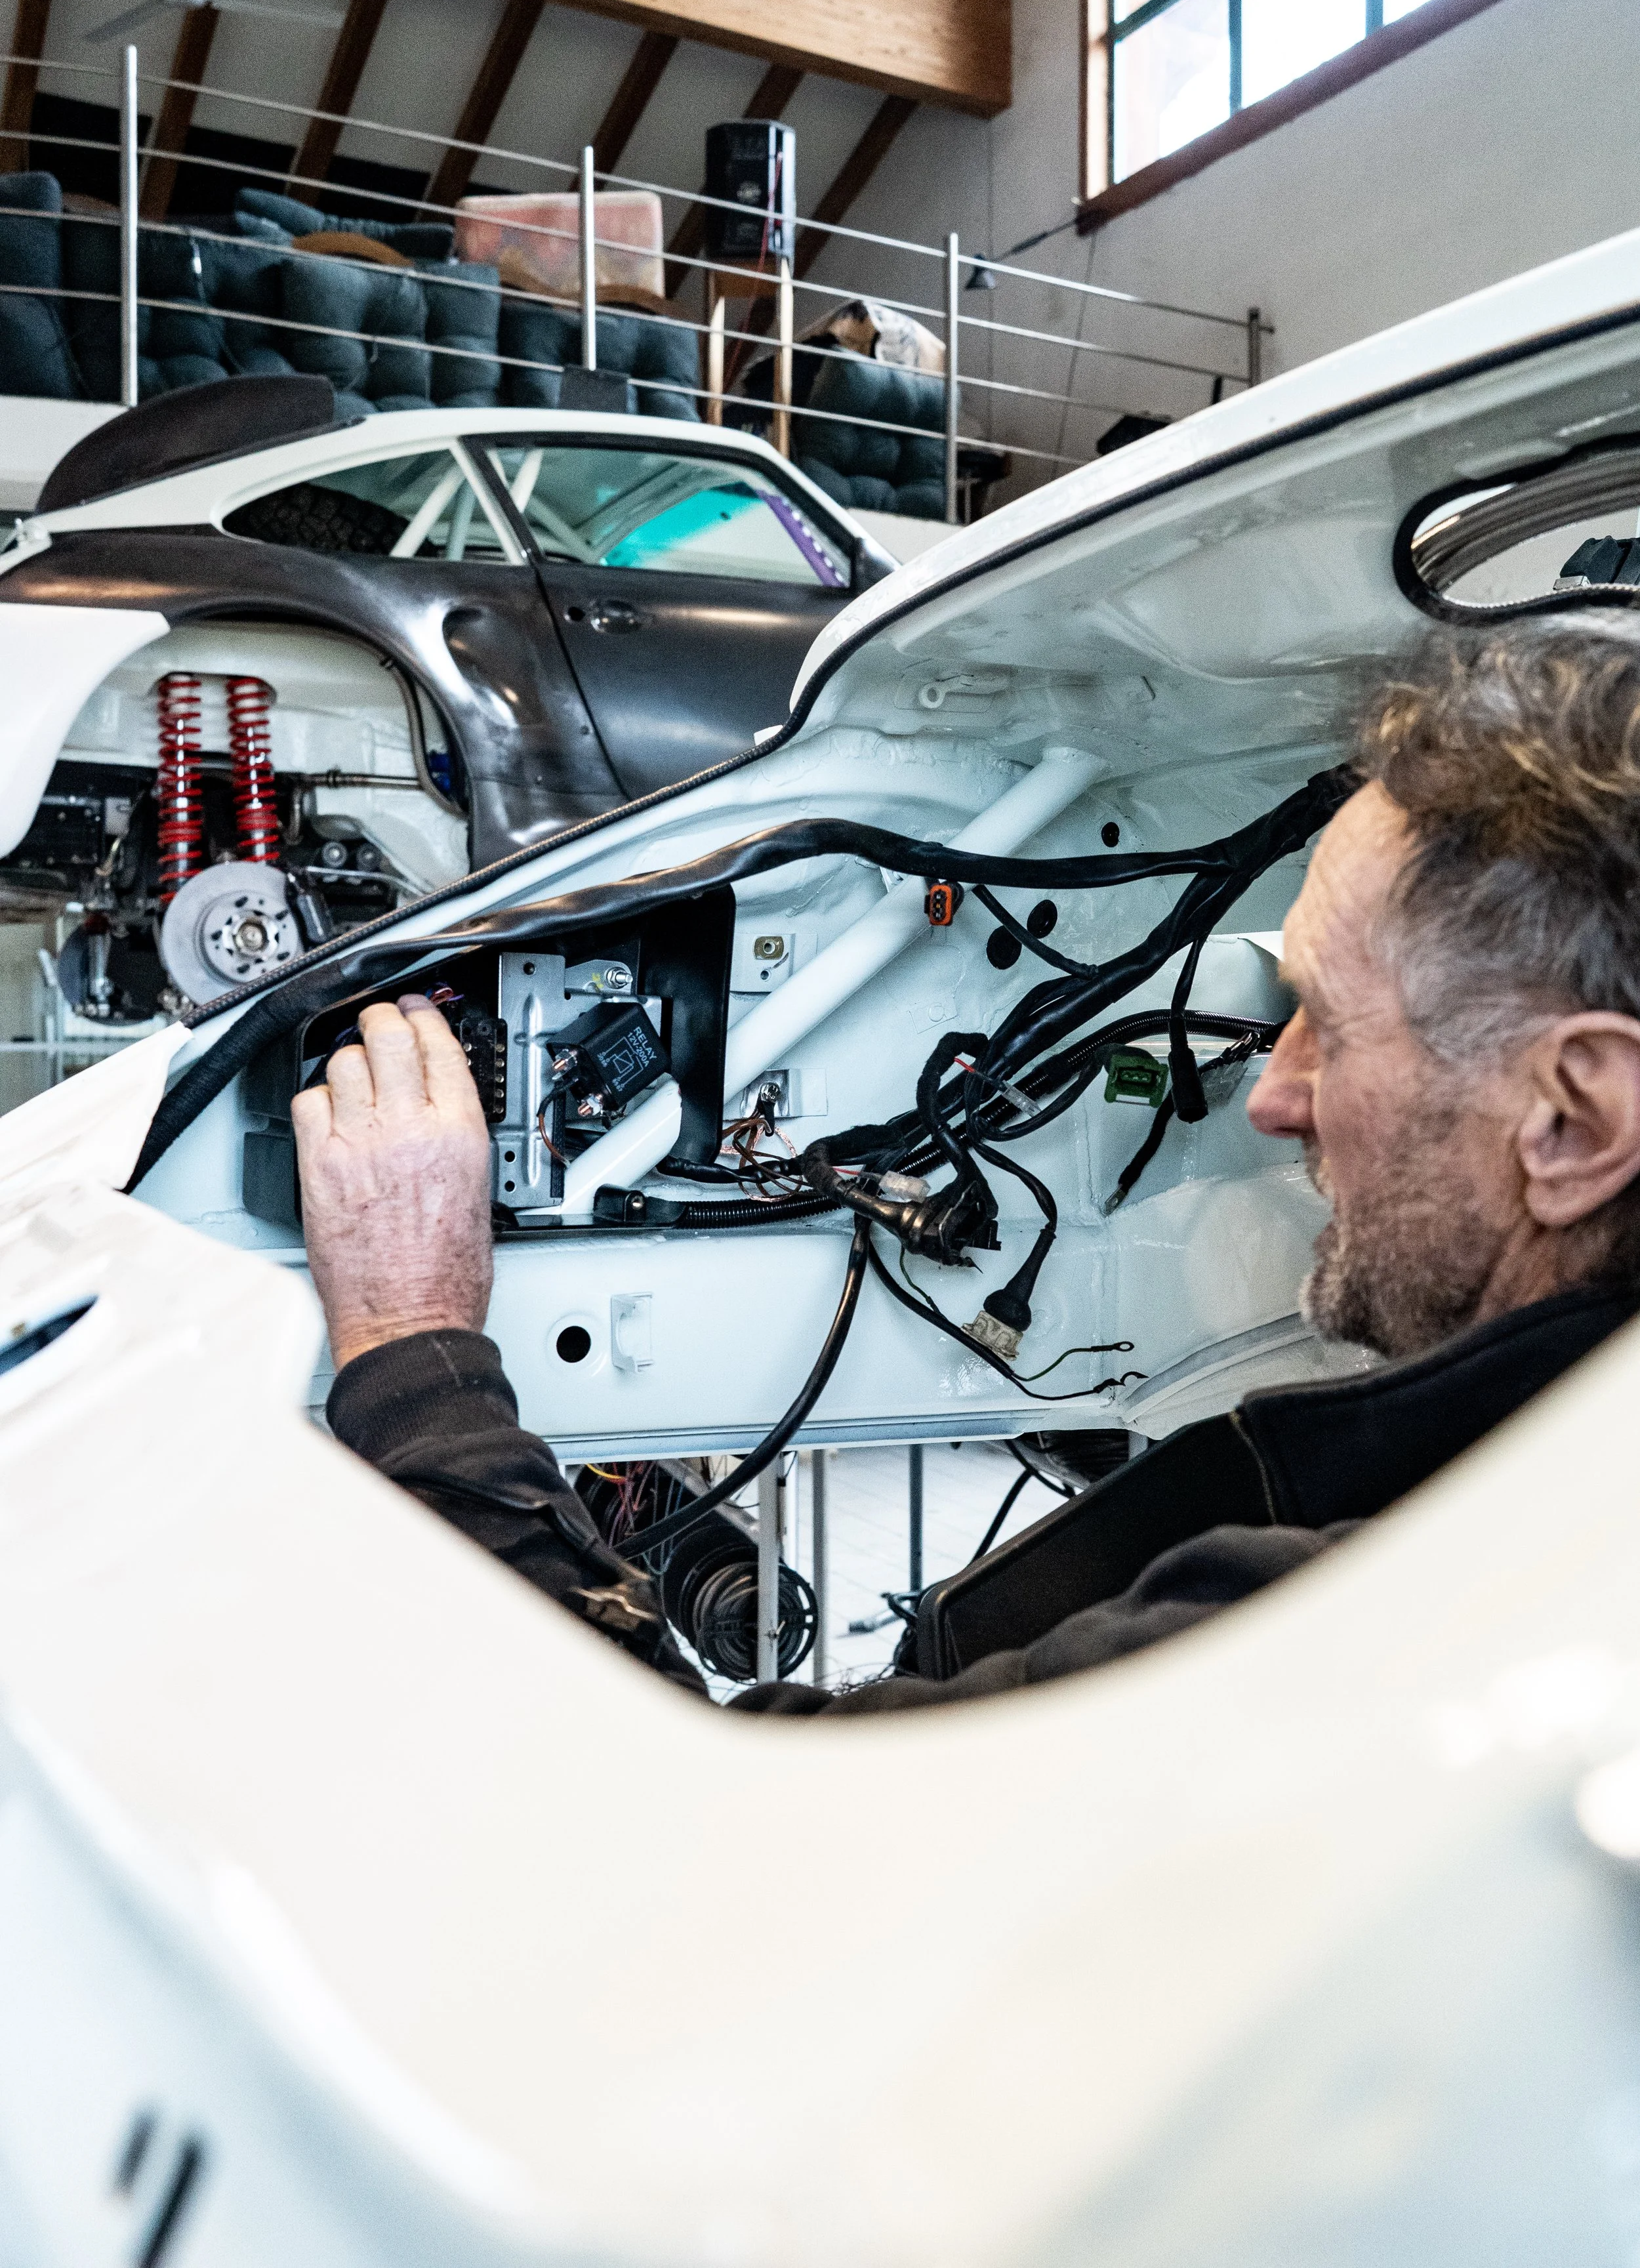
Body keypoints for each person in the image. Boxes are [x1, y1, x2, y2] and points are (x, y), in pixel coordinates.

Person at [294, 621, 1640, 1711]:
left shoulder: (1323, 1648)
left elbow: (711, 1837)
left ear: (1574, 1121)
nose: (1269, 1093)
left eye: (1327, 1028)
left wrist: (416, 1356)